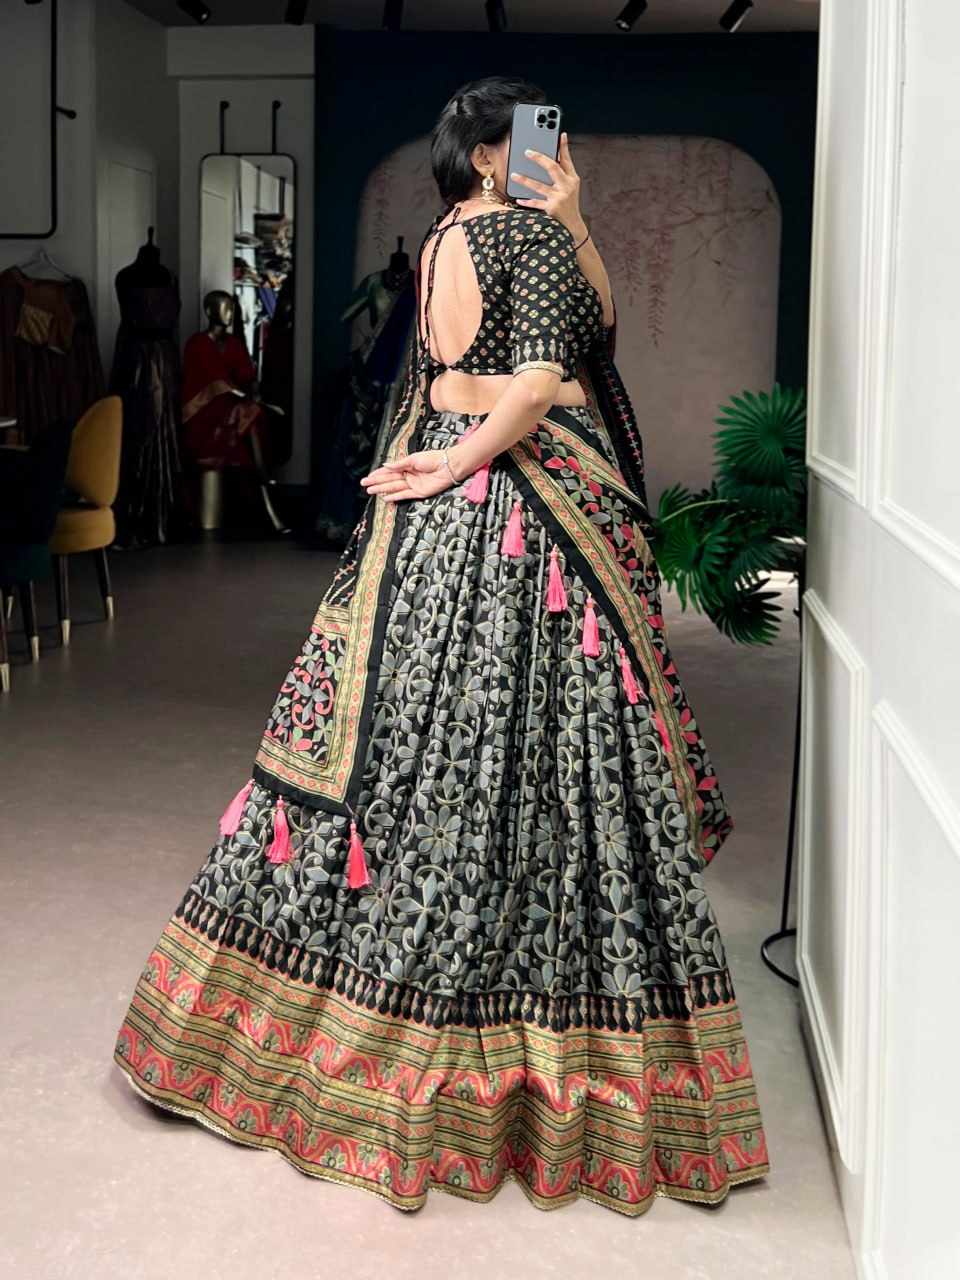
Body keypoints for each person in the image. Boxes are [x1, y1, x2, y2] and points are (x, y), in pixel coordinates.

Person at [114, 76, 770, 1216]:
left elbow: (552, 338)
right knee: (537, 757)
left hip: (444, 503)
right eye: (533, 137)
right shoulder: (526, 235)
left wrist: (573, 223)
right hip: (520, 512)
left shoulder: (446, 238)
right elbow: (548, 378)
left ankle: (310, 1014)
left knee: (409, 745)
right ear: (492, 153)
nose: (550, 150)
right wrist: (468, 458)